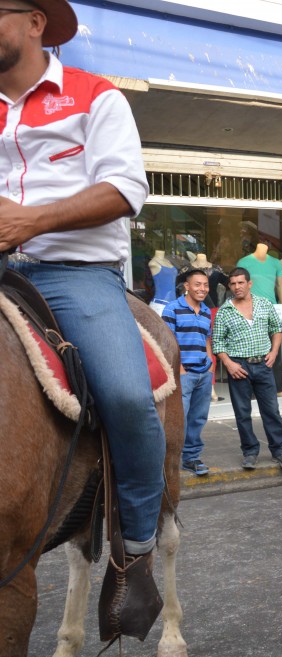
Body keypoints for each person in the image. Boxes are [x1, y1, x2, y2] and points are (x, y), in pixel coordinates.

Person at [0, 0, 165, 575]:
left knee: (125, 395)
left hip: (73, 274)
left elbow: (124, 189)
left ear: (35, 22)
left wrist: (29, 221)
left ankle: (138, 546)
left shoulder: (95, 95)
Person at [212, 267, 282, 469]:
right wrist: (229, 364)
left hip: (263, 365)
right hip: (238, 367)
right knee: (242, 413)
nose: (237, 287)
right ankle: (250, 452)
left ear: (249, 284)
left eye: (241, 283)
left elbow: (276, 329)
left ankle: (280, 451)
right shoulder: (224, 311)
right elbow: (217, 343)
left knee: (272, 411)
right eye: (233, 283)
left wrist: (274, 352)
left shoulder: (264, 304)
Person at [162, 269, 214, 475]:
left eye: (205, 285)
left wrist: (210, 363)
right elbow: (168, 342)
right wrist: (180, 369)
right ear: (186, 286)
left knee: (198, 418)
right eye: (197, 284)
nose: (202, 289)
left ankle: (191, 458)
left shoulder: (206, 311)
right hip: (183, 373)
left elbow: (207, 338)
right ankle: (170, 461)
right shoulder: (172, 309)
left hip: (203, 372)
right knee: (177, 419)